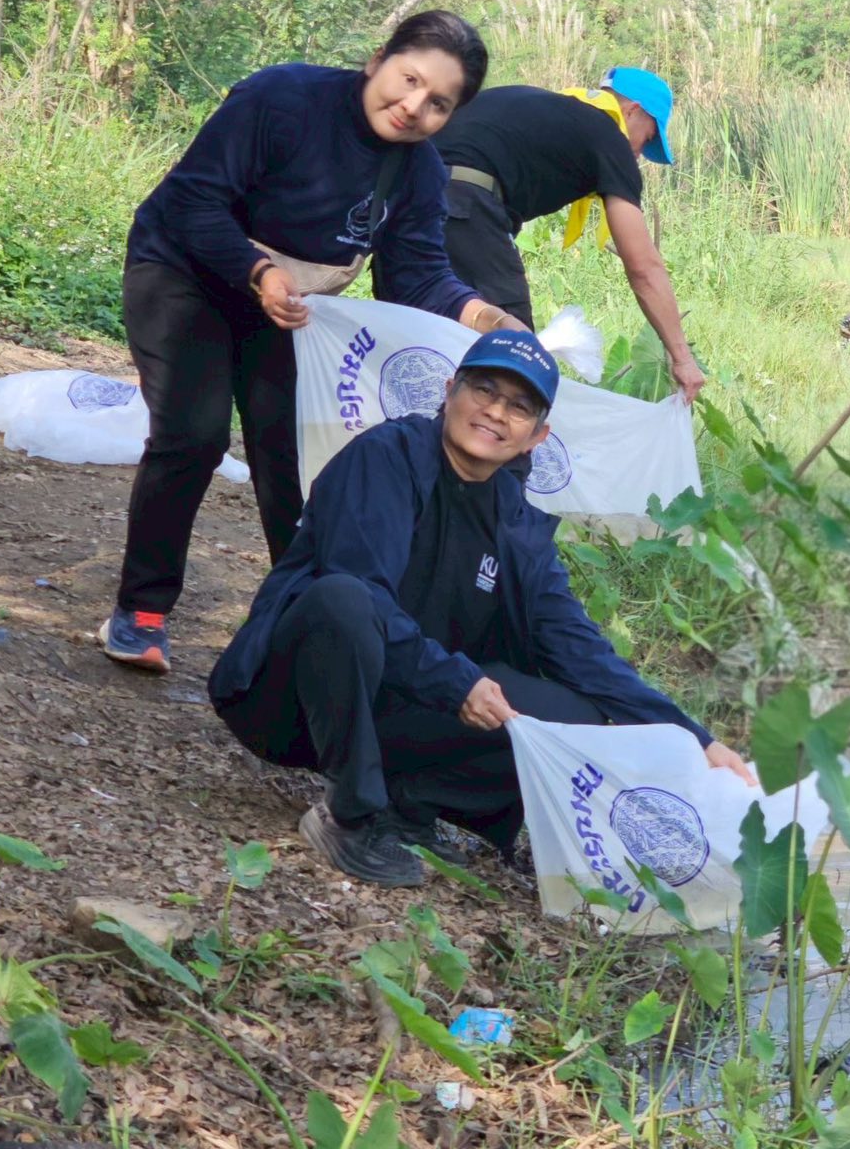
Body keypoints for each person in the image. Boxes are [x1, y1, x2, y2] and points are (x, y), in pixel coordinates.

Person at [208, 329, 754, 886]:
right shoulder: (386, 457)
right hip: (289, 703)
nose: (495, 412)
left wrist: (695, 739)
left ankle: (407, 802)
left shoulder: (515, 525)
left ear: (537, 437)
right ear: (450, 391)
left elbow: (580, 649)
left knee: (578, 715)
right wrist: (456, 682)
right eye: (484, 389)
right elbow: (357, 587)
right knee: (344, 599)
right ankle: (348, 814)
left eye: (519, 407)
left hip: (396, 711)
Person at [103, 11, 523, 675]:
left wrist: (480, 314)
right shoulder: (281, 99)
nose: (414, 107)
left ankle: (301, 619)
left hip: (290, 309)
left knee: (300, 458)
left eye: (439, 103)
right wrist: (259, 272)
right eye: (409, 79)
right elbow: (192, 201)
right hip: (184, 272)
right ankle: (142, 610)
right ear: (378, 59)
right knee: (195, 433)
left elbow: (415, 273)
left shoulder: (419, 172)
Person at [431, 68, 706, 404]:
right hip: (464, 207)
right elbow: (643, 267)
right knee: (513, 360)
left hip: (405, 208)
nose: (638, 154)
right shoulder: (608, 136)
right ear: (632, 110)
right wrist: (682, 358)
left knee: (420, 342)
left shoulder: (536, 104)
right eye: (647, 139)